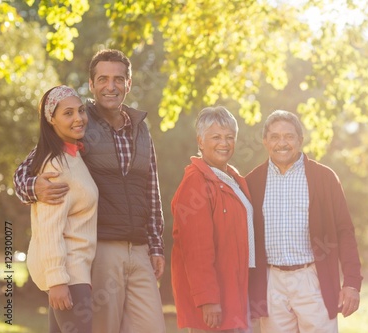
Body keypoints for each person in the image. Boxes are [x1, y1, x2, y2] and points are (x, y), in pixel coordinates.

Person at [14, 49, 166, 333]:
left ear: (128, 84)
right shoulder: (79, 123)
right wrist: (36, 187)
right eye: (103, 79)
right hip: (102, 249)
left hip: (140, 249)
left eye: (119, 79)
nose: (111, 86)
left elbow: (152, 191)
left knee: (153, 326)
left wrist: (156, 244)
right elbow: (25, 172)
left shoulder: (141, 130)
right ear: (92, 84)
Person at [245, 110, 363, 333]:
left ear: (300, 140)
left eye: (289, 136)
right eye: (275, 137)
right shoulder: (252, 182)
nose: (282, 143)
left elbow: (345, 232)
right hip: (272, 283)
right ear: (265, 141)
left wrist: (351, 282)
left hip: (313, 279)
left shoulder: (324, 178)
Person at [171, 106, 255, 332]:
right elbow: (196, 249)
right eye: (216, 137)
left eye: (229, 137)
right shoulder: (196, 183)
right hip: (213, 303)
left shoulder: (233, 180)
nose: (224, 143)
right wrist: (208, 300)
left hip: (235, 292)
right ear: (200, 141)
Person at [26, 85, 98, 333]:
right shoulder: (55, 164)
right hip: (69, 275)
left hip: (76, 273)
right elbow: (49, 227)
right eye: (68, 113)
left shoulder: (73, 157)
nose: (78, 118)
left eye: (80, 110)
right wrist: (57, 280)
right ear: (51, 119)